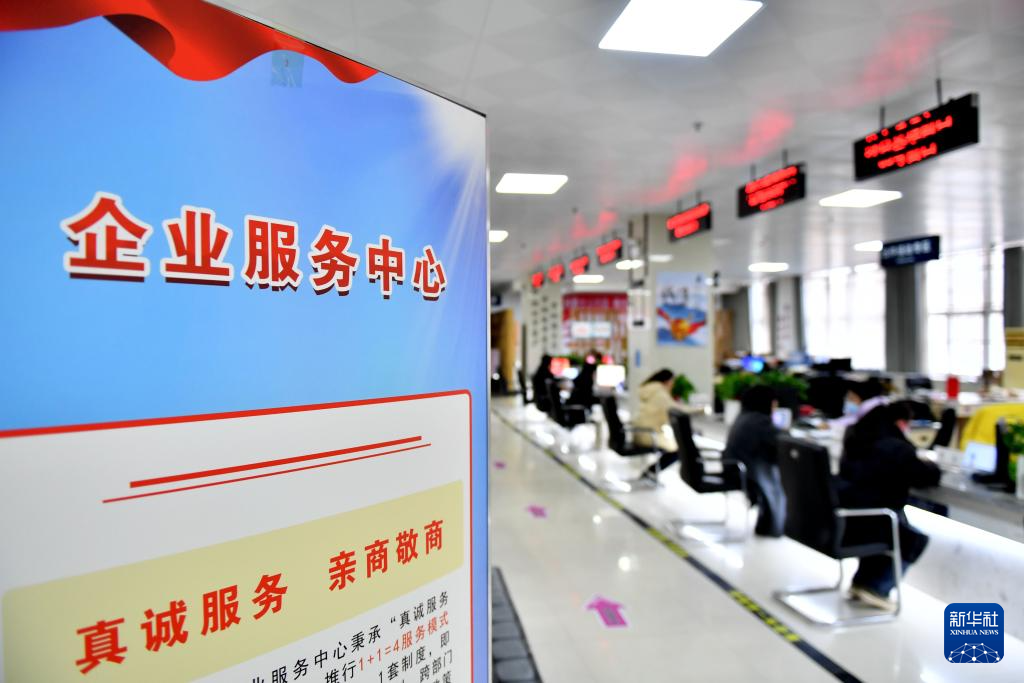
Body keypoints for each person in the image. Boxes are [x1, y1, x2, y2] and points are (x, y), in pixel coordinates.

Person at [839, 402, 941, 609]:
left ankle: (862, 582)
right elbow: (925, 476)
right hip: (874, 519)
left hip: (847, 516)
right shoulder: (897, 447)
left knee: (895, 524)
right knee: (910, 537)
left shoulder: (856, 438)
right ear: (901, 423)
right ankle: (877, 587)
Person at [723, 385, 786, 537]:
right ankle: (776, 526)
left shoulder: (745, 416)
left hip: (735, 470)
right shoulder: (759, 421)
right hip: (745, 474)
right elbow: (783, 440)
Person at [633, 369, 681, 478]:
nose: (673, 384)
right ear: (667, 380)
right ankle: (651, 472)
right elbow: (674, 409)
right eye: (672, 381)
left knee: (674, 445)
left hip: (640, 431)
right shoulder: (659, 393)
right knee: (680, 449)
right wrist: (701, 409)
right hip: (650, 435)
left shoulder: (650, 390)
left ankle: (650, 472)